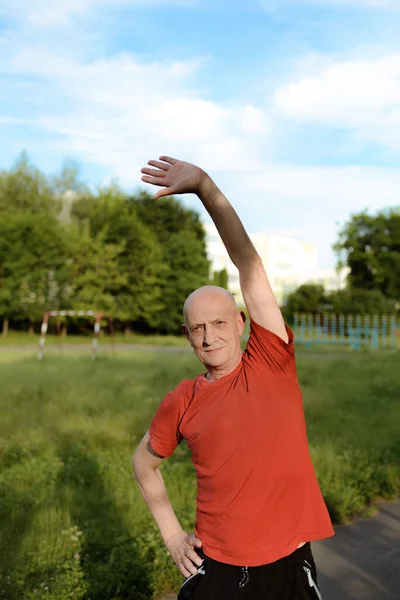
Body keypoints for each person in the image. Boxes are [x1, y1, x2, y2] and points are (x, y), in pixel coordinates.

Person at [132, 156, 334, 600]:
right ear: (187, 335)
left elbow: (249, 266)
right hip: (217, 568)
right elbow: (144, 464)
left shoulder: (271, 360)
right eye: (198, 329)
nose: (209, 338)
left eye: (219, 323)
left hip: (286, 565)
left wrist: (206, 187)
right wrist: (171, 536)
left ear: (240, 322)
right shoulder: (182, 400)